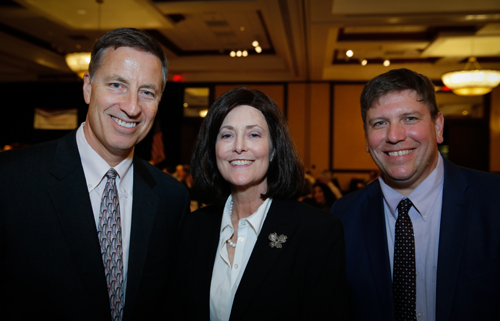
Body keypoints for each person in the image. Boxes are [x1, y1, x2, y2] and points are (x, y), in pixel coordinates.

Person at [0, 28, 190, 321]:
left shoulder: (171, 197)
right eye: (116, 85)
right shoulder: (12, 180)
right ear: (88, 87)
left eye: (147, 92)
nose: (131, 107)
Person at [331, 68, 500, 321]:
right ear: (367, 137)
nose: (394, 136)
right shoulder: (342, 218)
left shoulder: (494, 200)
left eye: (409, 118)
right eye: (380, 123)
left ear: (438, 126)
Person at [168, 87, 348, 320]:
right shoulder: (193, 228)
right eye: (226, 135)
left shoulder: (317, 232)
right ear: (213, 150)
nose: (239, 146)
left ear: (273, 150)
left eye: (254, 134)